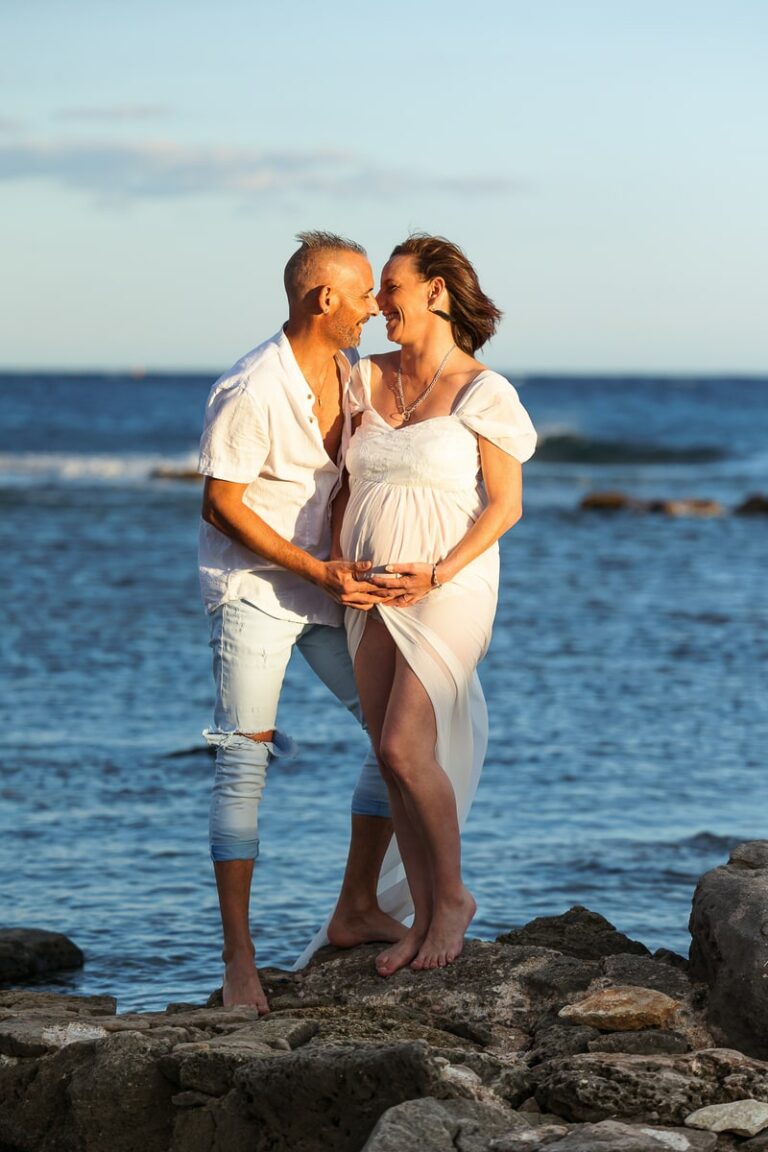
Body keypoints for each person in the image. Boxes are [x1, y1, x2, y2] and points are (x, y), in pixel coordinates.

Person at [197, 231, 406, 1013]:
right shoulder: (251, 386)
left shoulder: (351, 372)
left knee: (396, 737)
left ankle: (355, 908)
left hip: (326, 591)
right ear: (324, 299)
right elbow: (220, 504)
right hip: (254, 591)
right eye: (362, 296)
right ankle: (238, 961)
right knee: (243, 765)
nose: (373, 310)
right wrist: (317, 568)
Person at [335, 234, 537, 977]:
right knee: (389, 761)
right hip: (369, 586)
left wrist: (439, 573)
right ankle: (421, 917)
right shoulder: (360, 378)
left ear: (437, 292)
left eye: (391, 287)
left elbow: (506, 507)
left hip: (448, 582)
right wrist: (335, 570)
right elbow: (342, 489)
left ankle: (451, 899)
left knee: (400, 745)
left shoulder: (487, 392)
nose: (379, 302)